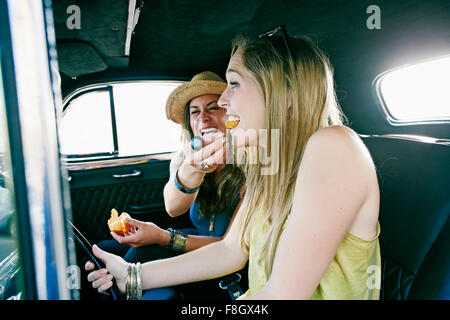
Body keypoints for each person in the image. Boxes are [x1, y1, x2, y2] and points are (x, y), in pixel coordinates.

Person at [86, 27, 381, 300]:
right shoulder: (270, 167)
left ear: (285, 92)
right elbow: (231, 250)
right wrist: (133, 276)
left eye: (234, 84)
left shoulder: (334, 146)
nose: (225, 100)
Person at [95, 71, 245, 299]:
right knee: (102, 251)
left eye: (213, 108)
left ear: (231, 113)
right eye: (195, 112)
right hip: (199, 238)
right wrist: (194, 168)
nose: (203, 118)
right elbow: (174, 209)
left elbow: (230, 246)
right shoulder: (183, 158)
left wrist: (163, 237)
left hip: (228, 262)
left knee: (141, 253)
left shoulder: (250, 162)